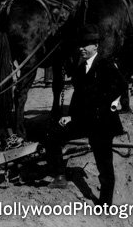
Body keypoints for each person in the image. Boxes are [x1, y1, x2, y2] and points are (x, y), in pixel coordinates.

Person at [46, 25, 126, 206]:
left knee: (104, 164)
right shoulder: (82, 68)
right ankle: (60, 175)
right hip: (84, 120)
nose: (81, 48)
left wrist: (109, 104)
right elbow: (78, 98)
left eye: (86, 45)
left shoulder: (106, 64)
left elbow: (120, 86)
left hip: (102, 123)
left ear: (96, 46)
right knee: (53, 132)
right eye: (80, 45)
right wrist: (71, 116)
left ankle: (105, 202)